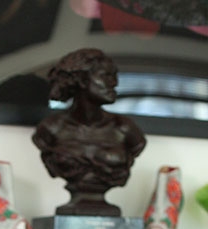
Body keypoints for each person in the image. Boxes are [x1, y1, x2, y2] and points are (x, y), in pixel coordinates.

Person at [32, 48, 146, 215]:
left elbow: (137, 146)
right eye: (105, 76)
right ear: (82, 80)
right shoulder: (51, 129)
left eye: (114, 76)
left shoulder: (126, 129)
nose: (114, 83)